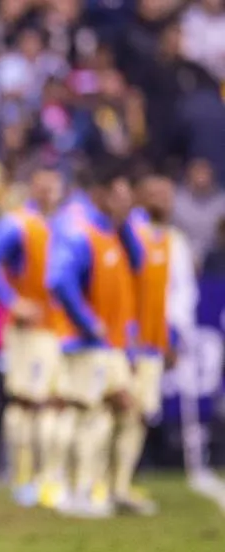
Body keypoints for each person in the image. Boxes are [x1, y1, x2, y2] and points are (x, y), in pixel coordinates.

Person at [44, 160, 141, 518]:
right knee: (90, 414)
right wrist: (88, 323)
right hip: (86, 344)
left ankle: (96, 488)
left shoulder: (110, 230)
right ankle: (76, 492)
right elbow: (58, 280)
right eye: (119, 196)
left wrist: (125, 221)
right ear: (100, 194)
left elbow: (138, 262)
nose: (126, 202)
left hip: (108, 344)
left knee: (120, 410)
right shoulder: (78, 230)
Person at [0, 166, 65, 507]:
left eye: (54, 183)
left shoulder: (65, 224)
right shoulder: (18, 223)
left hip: (60, 329)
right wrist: (12, 302)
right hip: (29, 331)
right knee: (28, 402)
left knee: (54, 403)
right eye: (43, 184)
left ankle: (48, 477)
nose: (49, 189)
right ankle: (23, 479)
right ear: (32, 187)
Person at [112, 174, 197, 514]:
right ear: (140, 196)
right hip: (121, 338)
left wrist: (173, 335)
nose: (163, 199)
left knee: (141, 413)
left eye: (168, 193)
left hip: (153, 339)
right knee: (112, 408)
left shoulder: (174, 239)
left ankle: (119, 483)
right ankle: (93, 482)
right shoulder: (127, 234)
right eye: (155, 193)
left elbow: (181, 292)